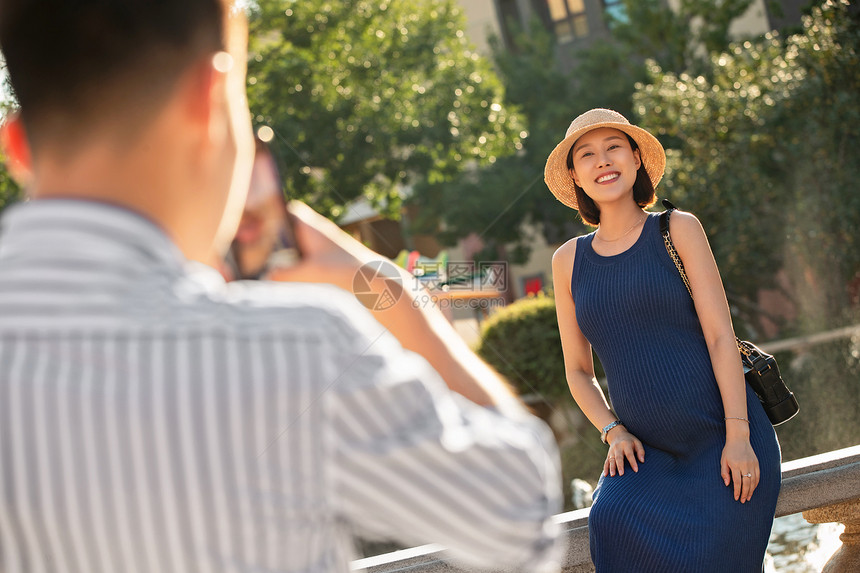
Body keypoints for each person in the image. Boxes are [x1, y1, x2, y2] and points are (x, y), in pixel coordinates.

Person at [0, 1, 565, 571]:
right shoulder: (298, 352)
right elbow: (521, 524)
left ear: (17, 148)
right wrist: (391, 292)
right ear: (211, 98)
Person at [544, 108, 781, 572]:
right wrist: (611, 431)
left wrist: (739, 436)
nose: (603, 160)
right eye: (587, 154)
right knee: (610, 519)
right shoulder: (567, 260)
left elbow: (719, 336)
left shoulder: (677, 229)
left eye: (614, 147)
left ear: (635, 158)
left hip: (723, 441)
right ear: (575, 175)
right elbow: (577, 370)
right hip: (645, 456)